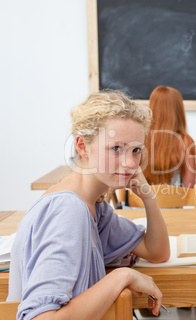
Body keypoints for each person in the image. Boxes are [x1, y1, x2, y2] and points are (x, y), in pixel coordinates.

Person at [7, 90, 170, 319]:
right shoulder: (68, 211)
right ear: (83, 147)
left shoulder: (96, 208)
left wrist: (148, 197)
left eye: (136, 150)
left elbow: (157, 252)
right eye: (116, 148)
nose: (130, 163)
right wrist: (123, 276)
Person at [143, 85, 196, 188]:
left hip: (140, 203)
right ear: (178, 109)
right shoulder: (185, 141)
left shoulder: (141, 137)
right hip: (173, 202)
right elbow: (189, 187)